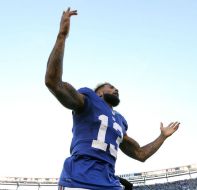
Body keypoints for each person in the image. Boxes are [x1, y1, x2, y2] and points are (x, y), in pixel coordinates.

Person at [45, 7, 180, 190]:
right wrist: (62, 36)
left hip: (108, 181)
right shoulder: (88, 100)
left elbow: (140, 154)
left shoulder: (120, 121)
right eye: (110, 87)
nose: (115, 89)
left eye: (116, 88)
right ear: (99, 92)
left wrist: (162, 137)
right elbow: (54, 82)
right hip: (80, 178)